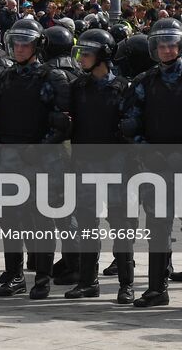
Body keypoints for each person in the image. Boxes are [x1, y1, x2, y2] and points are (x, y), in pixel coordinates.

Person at [121, 17, 182, 310]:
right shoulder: (144, 82)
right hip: (154, 163)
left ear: (181, 46)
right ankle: (156, 289)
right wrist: (145, 150)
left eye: (172, 44)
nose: (166, 50)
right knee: (158, 225)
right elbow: (130, 123)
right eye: (161, 45)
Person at [0, 17, 71, 299]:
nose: (19, 48)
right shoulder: (6, 78)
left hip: (42, 158)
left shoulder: (52, 78)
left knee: (43, 219)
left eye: (26, 43)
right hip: (9, 158)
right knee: (10, 219)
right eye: (16, 43)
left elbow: (63, 123)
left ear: (37, 46)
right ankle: (15, 275)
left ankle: (43, 278)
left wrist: (41, 147)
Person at [66, 27, 136, 303]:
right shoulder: (78, 87)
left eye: (87, 52)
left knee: (120, 223)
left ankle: (126, 284)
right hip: (85, 161)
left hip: (115, 163)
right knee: (86, 222)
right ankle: (87, 281)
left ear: (103, 56)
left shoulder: (123, 88)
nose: (81, 57)